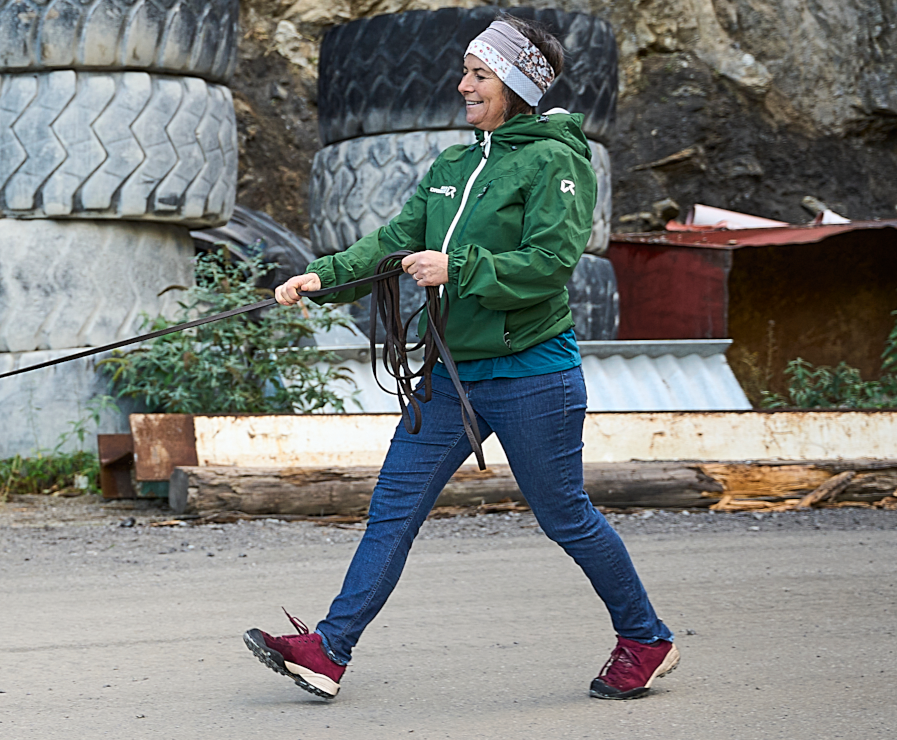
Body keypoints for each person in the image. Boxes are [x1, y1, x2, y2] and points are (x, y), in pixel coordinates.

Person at [247, 15, 678, 702]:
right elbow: (394, 238)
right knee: (392, 510)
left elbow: (550, 263)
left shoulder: (555, 161)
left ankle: (646, 638)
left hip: (534, 374)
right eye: (467, 73)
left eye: (478, 75)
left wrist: (460, 266)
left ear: (514, 84)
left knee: (565, 515)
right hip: (451, 378)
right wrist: (322, 275)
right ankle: (329, 650)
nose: (462, 86)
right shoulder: (452, 166)